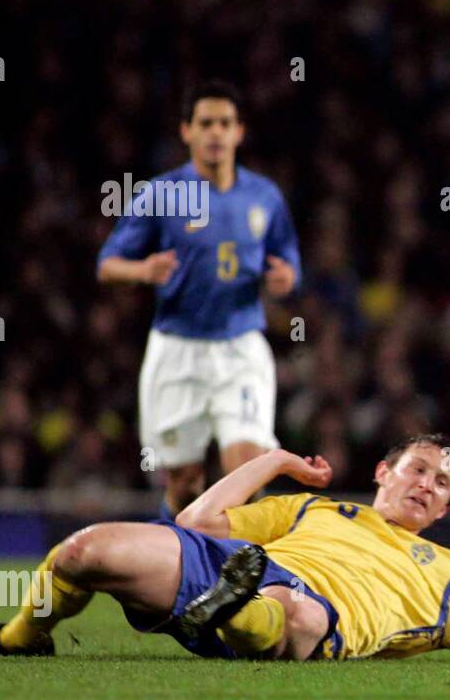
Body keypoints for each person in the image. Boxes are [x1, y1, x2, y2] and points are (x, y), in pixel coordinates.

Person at [0, 435, 450, 664]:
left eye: (443, 484)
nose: (427, 486)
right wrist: (276, 459)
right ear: (382, 473)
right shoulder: (313, 508)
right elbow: (198, 520)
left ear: (449, 509)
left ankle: (227, 610)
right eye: (419, 469)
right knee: (83, 550)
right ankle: (18, 639)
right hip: (243, 570)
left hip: (318, 614)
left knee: (297, 613)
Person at [97, 80, 302, 521]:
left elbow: (288, 261)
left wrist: (286, 277)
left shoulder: (264, 197)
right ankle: (173, 566)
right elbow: (107, 264)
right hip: (178, 349)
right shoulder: (162, 194)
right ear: (186, 131)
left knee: (246, 470)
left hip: (240, 345)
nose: (215, 132)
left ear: (239, 132)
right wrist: (142, 270)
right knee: (185, 482)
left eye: (224, 123)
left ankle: (246, 584)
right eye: (205, 123)